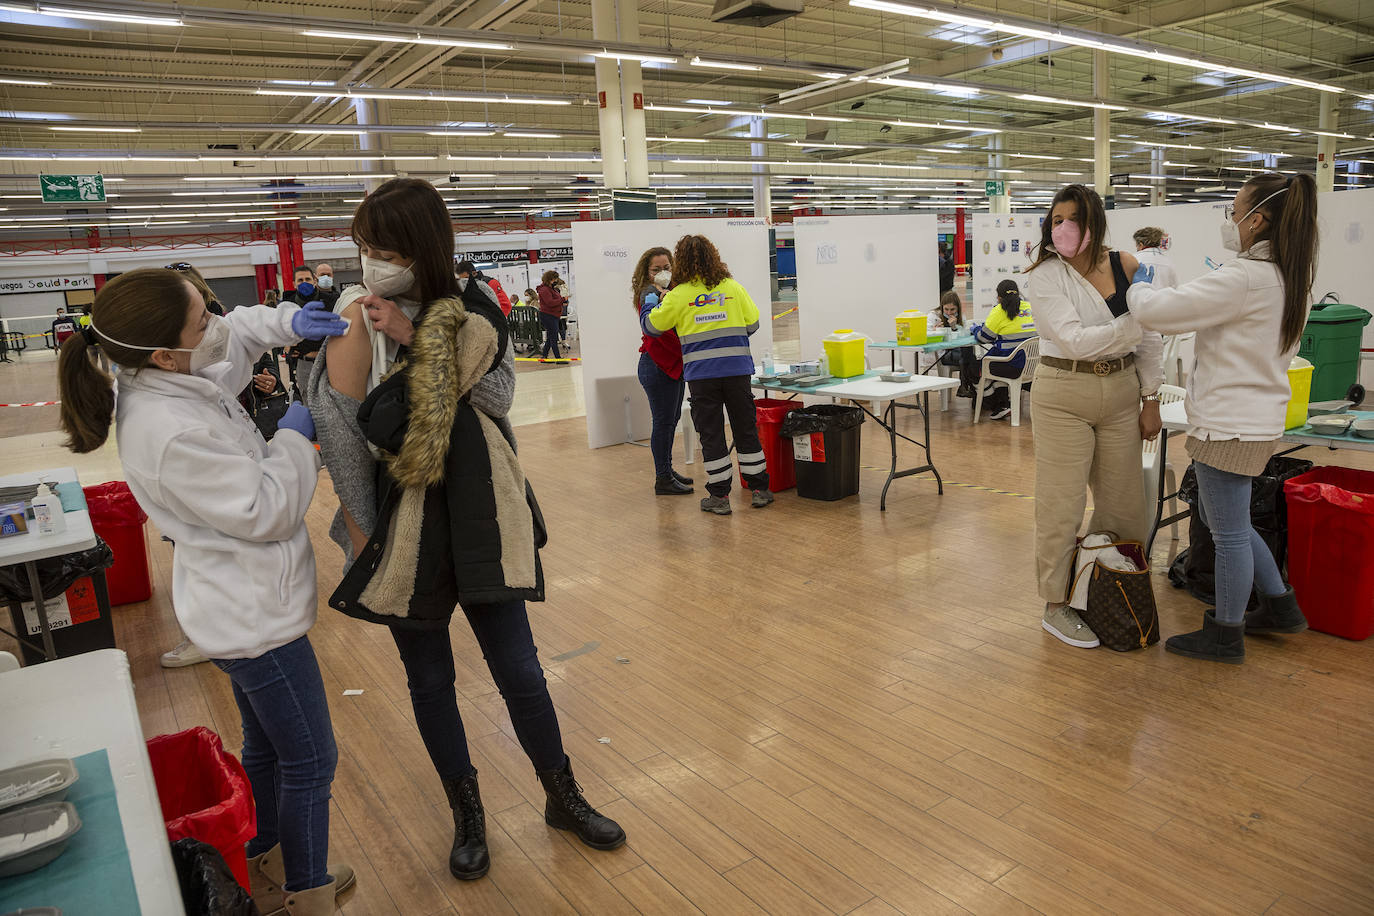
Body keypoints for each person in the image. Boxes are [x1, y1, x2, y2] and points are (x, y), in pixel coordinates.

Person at [311, 177, 623, 883]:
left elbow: (500, 393)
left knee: (519, 669)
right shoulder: (353, 312)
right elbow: (339, 425)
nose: (370, 261)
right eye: (363, 247)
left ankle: (561, 796)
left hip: (479, 511)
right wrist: (363, 525)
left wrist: (418, 335)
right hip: (400, 517)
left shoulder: (470, 305)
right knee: (429, 679)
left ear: (420, 247)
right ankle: (468, 814)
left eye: (382, 247)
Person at [57, 268, 353, 915]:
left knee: (269, 748)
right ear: (165, 352)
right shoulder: (167, 427)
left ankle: (267, 862)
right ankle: (309, 894)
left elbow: (236, 335)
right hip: (254, 621)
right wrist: (295, 439)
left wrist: (286, 321)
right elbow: (268, 507)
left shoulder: (172, 379)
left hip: (235, 610)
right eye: (200, 322)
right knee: (311, 760)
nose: (215, 326)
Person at [1127, 173, 1317, 664]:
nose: (1229, 222)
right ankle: (1279, 605)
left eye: (1233, 211)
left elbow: (1163, 313)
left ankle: (1225, 633)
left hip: (1229, 423)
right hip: (1253, 419)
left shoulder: (1244, 278)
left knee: (1227, 530)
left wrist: (1139, 285)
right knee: (1220, 516)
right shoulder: (1285, 275)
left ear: (1257, 219)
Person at [1023, 183, 1164, 650]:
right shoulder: (1045, 274)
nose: (1061, 228)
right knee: (1060, 505)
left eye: (1071, 220)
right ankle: (1055, 605)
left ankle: (1109, 586)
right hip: (1063, 391)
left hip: (1123, 392)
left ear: (1094, 222)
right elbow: (1074, 342)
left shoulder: (1125, 264)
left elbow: (1149, 340)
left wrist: (1151, 398)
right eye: (1055, 219)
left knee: (1125, 504)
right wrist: (1134, 322)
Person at [643, 234, 772, 515]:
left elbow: (652, 327)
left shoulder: (679, 295)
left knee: (712, 434)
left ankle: (720, 497)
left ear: (682, 263)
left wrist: (650, 303)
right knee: (746, 428)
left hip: (702, 377)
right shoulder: (732, 288)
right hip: (737, 371)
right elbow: (753, 325)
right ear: (714, 256)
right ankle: (760, 490)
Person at [632, 246, 693, 496]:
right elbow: (662, 332)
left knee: (671, 421)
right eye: (656, 269)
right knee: (663, 423)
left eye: (666, 268)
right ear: (647, 272)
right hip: (658, 367)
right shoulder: (649, 294)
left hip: (672, 366)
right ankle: (662, 478)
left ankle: (667, 469)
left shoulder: (670, 293)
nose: (662, 273)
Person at [974, 280, 1037, 419]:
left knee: (974, 369)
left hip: (1012, 366)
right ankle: (1003, 404)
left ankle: (999, 406)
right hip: (1034, 367)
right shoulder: (1031, 307)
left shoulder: (999, 310)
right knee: (997, 369)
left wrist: (976, 329)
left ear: (999, 297)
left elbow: (983, 338)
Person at [282, 265, 337, 401]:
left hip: (329, 362)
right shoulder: (287, 305)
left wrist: (300, 344)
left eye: (308, 279)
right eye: (300, 280)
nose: (304, 282)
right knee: (308, 403)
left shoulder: (331, 301)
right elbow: (285, 334)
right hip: (304, 364)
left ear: (314, 281)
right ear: (294, 284)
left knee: (334, 401)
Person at [931, 290, 978, 397]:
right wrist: (935, 332)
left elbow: (963, 339)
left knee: (969, 354)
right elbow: (927, 336)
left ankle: (966, 387)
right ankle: (967, 387)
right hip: (944, 354)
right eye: (946, 309)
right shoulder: (934, 317)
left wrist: (954, 327)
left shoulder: (962, 318)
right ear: (942, 307)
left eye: (952, 309)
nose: (949, 312)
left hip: (959, 352)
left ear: (958, 309)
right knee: (971, 358)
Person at [535, 270, 567, 360]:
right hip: (548, 316)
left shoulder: (551, 288)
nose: (556, 280)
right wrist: (562, 299)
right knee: (554, 337)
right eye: (554, 279)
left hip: (553, 316)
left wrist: (562, 302)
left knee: (550, 337)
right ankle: (558, 358)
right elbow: (550, 303)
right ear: (549, 279)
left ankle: (544, 356)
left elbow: (554, 301)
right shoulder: (544, 290)